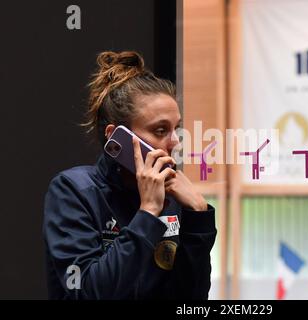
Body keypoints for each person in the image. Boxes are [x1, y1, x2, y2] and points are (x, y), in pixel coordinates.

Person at [42, 51, 217, 299]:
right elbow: (87, 293)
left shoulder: (171, 198)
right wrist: (147, 214)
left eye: (175, 129)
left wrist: (198, 218)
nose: (175, 142)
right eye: (160, 130)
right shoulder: (73, 191)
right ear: (118, 138)